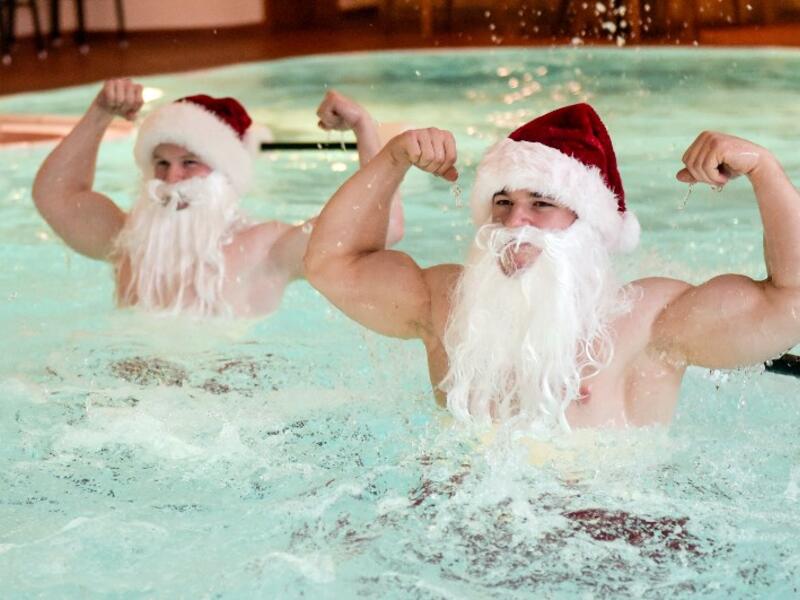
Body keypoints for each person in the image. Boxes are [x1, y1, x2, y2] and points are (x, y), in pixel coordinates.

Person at [305, 103, 800, 431]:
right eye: (502, 202)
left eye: (541, 203)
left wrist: (765, 171)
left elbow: (790, 302)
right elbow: (332, 264)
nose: (515, 221)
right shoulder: (447, 306)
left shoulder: (648, 323)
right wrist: (393, 157)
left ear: (587, 224)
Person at [32, 78, 402, 318]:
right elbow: (56, 196)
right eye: (160, 163)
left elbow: (383, 229)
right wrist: (100, 114)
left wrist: (363, 126)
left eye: (190, 163)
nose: (171, 178)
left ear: (226, 174)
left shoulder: (266, 249)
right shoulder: (128, 240)